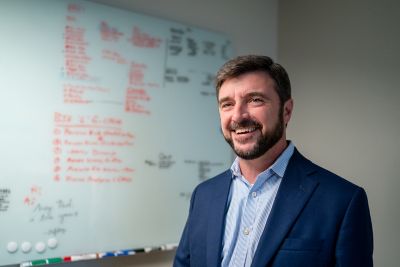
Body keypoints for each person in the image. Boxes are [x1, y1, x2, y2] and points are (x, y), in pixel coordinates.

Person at [173, 55, 373, 267]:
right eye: (227, 104)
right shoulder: (203, 196)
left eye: (255, 100)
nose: (238, 116)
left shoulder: (342, 201)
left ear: (286, 111)